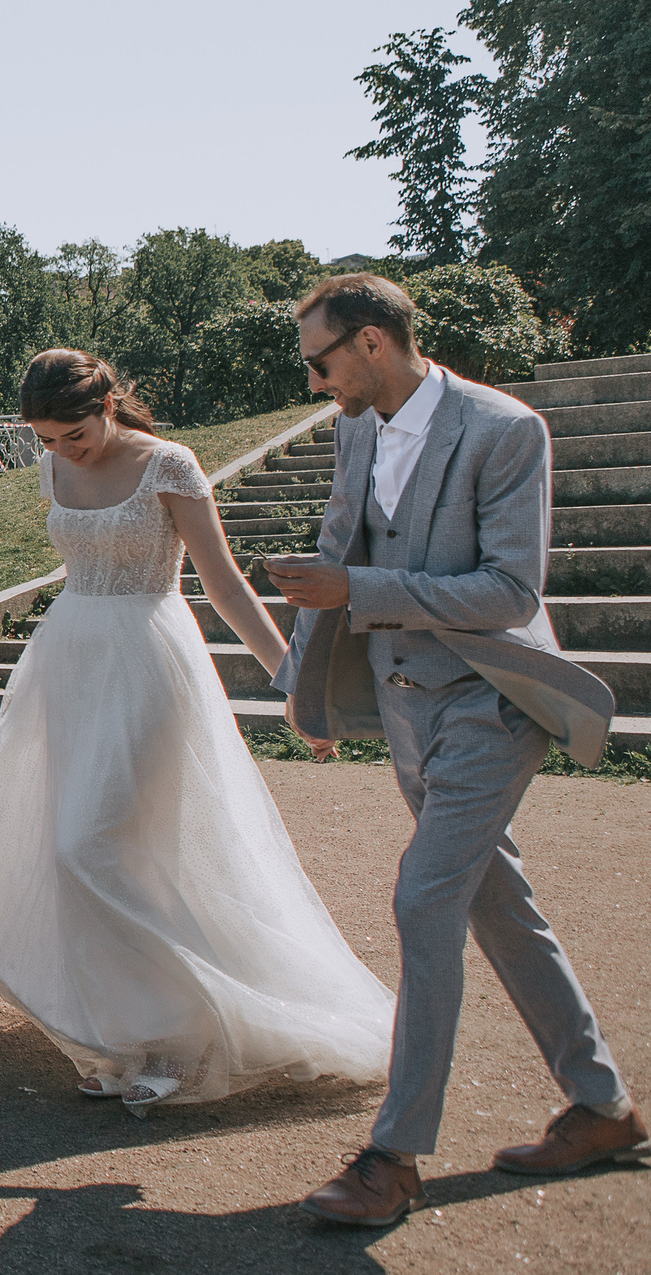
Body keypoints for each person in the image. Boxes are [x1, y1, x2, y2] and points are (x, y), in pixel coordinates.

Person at [268, 277, 637, 1227]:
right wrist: (311, 689)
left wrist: (357, 588)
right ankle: (601, 1107)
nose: (315, 382)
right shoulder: (355, 427)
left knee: (426, 896)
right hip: (402, 708)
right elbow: (336, 548)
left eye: (321, 361)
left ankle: (393, 1157)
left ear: (376, 342)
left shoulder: (506, 430)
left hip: (492, 700)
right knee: (492, 899)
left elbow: (511, 593)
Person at [0, 351, 394, 1120]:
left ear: (109, 404)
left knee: (89, 845)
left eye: (74, 435)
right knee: (76, 847)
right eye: (47, 440)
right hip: (69, 663)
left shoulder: (171, 465)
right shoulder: (55, 465)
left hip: (148, 661)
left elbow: (223, 582)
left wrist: (296, 683)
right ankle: (125, 1037)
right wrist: (60, 455)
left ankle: (176, 1040)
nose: (62, 452)